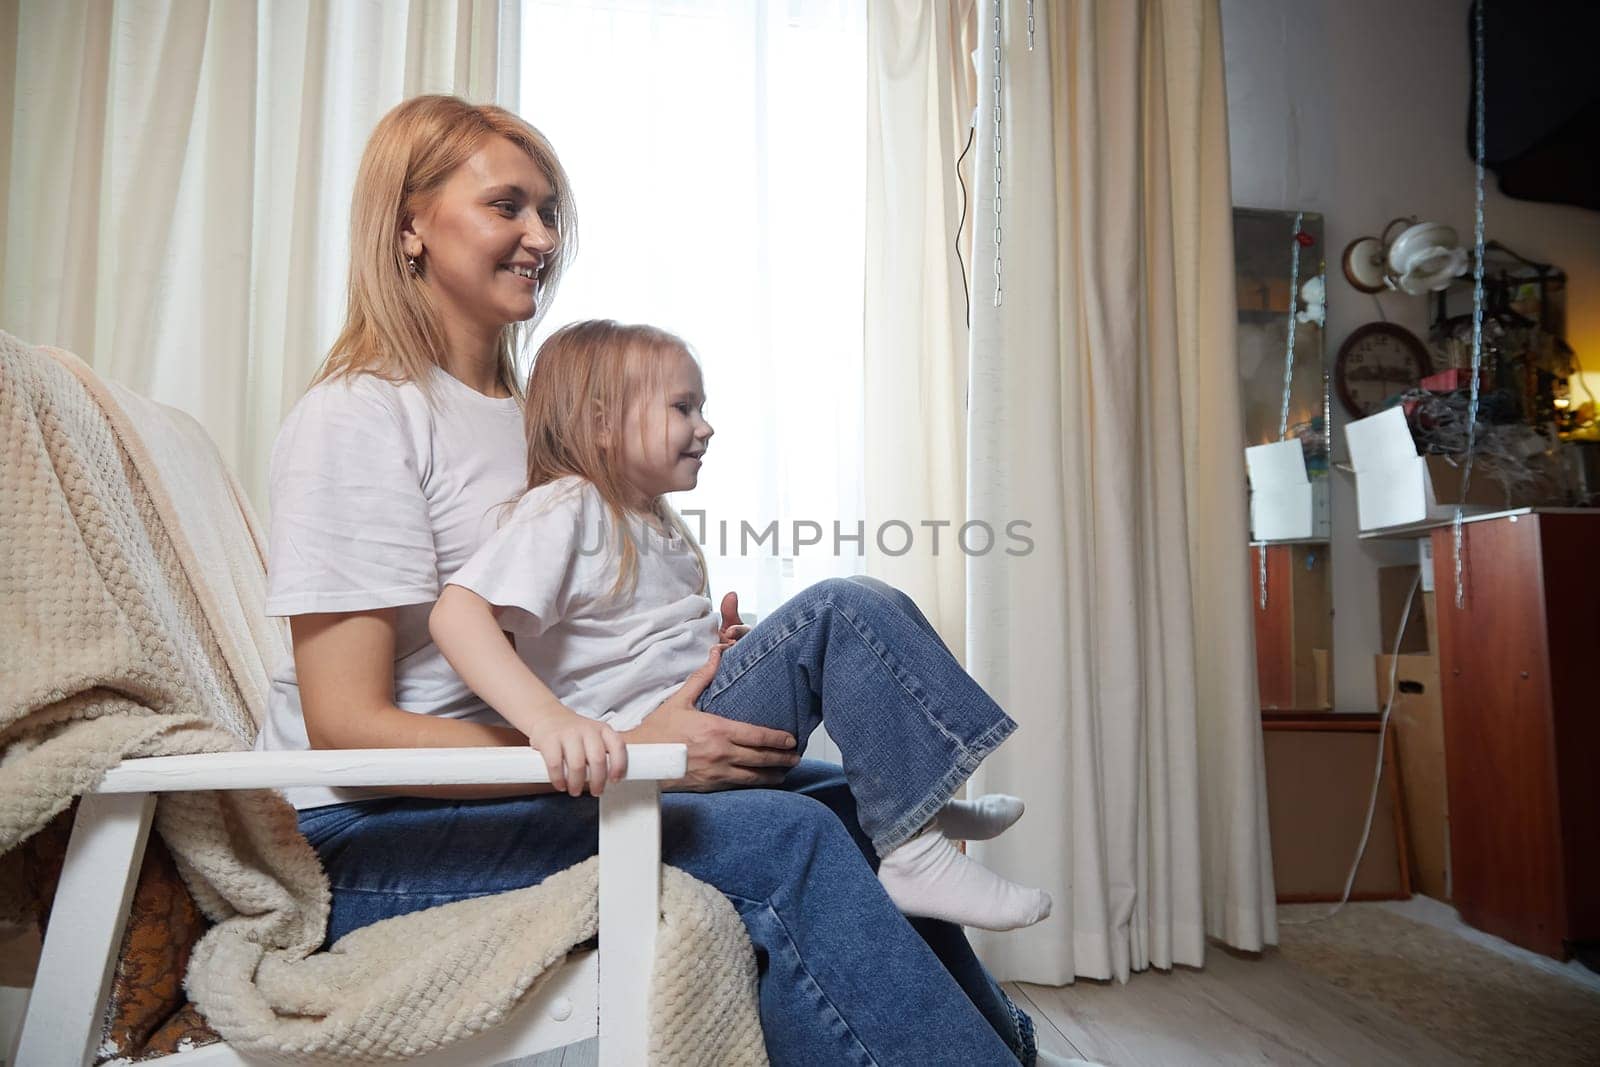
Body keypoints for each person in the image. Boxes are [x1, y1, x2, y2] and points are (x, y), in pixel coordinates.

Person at [262, 93, 1049, 1065]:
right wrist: (630, 748)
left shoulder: (538, 422)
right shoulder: (360, 417)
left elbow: (577, 623)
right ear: (409, 224)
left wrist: (677, 659)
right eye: (506, 205)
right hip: (372, 840)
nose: (540, 235)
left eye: (549, 210)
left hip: (519, 791)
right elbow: (347, 728)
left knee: (842, 802)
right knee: (785, 840)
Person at [430, 319, 1051, 932]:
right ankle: (914, 852)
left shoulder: (655, 523)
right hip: (653, 754)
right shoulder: (567, 505)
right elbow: (457, 614)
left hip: (690, 724)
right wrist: (552, 723)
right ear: (600, 422)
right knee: (843, 608)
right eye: (683, 407)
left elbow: (633, 647)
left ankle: (922, 808)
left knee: (866, 622)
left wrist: (722, 648)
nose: (705, 427)